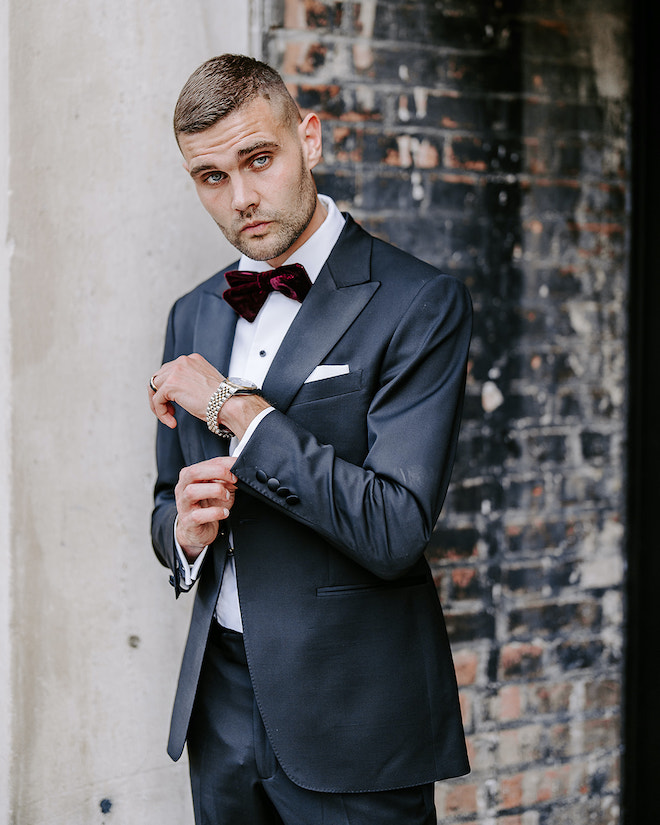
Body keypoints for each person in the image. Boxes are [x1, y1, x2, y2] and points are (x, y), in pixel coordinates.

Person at [149, 53, 472, 825]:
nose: (243, 197)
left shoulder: (418, 302)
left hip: (354, 716)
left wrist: (233, 407)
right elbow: (166, 504)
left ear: (311, 138)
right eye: (212, 177)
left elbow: (396, 526)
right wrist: (185, 533)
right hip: (220, 708)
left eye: (258, 159)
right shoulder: (192, 313)